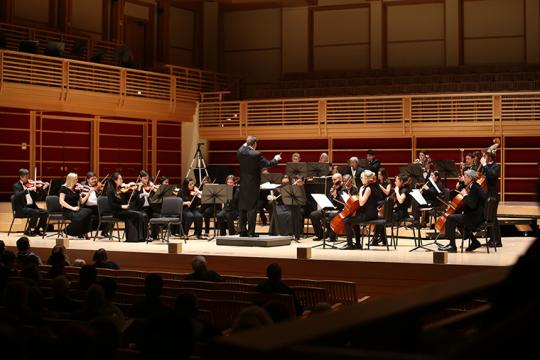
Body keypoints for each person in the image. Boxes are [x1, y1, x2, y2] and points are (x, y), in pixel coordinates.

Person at [237, 136, 281, 237]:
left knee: (243, 208)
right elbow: (268, 164)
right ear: (254, 144)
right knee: (252, 208)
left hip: (243, 184)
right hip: (252, 185)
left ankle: (242, 231)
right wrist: (276, 159)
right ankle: (251, 232)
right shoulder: (256, 154)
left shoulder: (240, 152)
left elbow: (243, 147)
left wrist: (247, 142)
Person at [439, 169, 486, 253]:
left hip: (475, 218)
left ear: (470, 178)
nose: (463, 178)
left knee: (450, 218)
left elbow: (472, 205)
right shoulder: (474, 186)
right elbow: (470, 204)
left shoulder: (475, 188)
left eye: (465, 177)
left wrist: (465, 195)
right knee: (456, 219)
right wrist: (456, 208)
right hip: (476, 216)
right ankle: (475, 242)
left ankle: (452, 246)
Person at [106, 172, 147, 242]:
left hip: (124, 211)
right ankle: (133, 238)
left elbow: (132, 198)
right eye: (120, 179)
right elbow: (111, 205)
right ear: (115, 180)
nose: (122, 180)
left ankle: (141, 237)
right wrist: (122, 206)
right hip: (117, 212)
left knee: (140, 215)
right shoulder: (110, 191)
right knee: (135, 215)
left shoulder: (122, 190)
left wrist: (138, 189)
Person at [342, 170, 379, 250]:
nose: (361, 179)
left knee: (346, 221)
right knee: (354, 221)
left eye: (362, 177)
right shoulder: (370, 186)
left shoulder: (368, 188)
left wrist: (361, 191)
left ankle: (350, 244)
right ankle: (358, 244)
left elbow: (361, 203)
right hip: (370, 212)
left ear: (366, 178)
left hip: (369, 214)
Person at [373, 174, 412, 246]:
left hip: (401, 214)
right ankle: (381, 240)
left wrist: (396, 191)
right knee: (380, 219)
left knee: (381, 220)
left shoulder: (404, 190)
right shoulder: (401, 189)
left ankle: (376, 239)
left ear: (401, 181)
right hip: (398, 212)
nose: (395, 182)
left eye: (396, 181)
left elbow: (401, 201)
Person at [309, 173, 346, 241]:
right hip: (330, 208)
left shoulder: (344, 189)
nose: (333, 181)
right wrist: (330, 195)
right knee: (313, 215)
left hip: (339, 210)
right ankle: (321, 235)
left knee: (331, 215)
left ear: (340, 179)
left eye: (335, 180)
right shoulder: (333, 188)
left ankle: (332, 236)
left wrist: (335, 196)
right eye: (332, 180)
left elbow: (343, 203)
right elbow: (329, 201)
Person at [12, 168, 48, 236]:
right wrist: (28, 190)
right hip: (22, 208)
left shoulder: (30, 184)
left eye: (28, 176)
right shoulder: (16, 186)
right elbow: (17, 195)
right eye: (26, 177)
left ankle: (37, 230)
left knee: (45, 212)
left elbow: (37, 197)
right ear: (21, 177)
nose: (28, 178)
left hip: (32, 207)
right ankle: (28, 230)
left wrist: (43, 189)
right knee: (35, 212)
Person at [59, 172, 94, 238]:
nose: (77, 181)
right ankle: (65, 231)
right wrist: (72, 208)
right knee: (79, 218)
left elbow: (82, 202)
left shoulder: (76, 189)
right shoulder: (63, 188)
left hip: (76, 209)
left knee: (89, 211)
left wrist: (89, 193)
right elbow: (61, 201)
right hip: (67, 210)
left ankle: (84, 231)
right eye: (76, 179)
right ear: (71, 180)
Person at [481, 150, 502, 247]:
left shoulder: (496, 166)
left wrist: (484, 165)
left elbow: (492, 176)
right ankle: (491, 239)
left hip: (493, 196)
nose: (484, 157)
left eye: (485, 155)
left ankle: (497, 241)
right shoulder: (486, 166)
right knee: (488, 218)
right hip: (487, 195)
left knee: (493, 218)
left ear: (490, 157)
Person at [81, 171, 110, 237]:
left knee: (110, 213)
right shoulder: (85, 187)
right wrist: (92, 190)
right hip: (88, 208)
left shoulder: (98, 187)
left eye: (95, 178)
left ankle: (105, 232)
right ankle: (84, 232)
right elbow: (88, 201)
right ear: (87, 180)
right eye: (92, 179)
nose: (95, 180)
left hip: (98, 208)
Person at [131, 170, 158, 241]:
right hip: (141, 209)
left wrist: (153, 191)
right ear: (140, 178)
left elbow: (155, 199)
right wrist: (139, 190)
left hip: (150, 208)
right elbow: (133, 200)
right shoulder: (137, 187)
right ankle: (146, 236)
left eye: (147, 178)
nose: (147, 180)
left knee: (157, 216)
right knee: (144, 216)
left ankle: (154, 235)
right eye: (145, 178)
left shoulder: (150, 186)